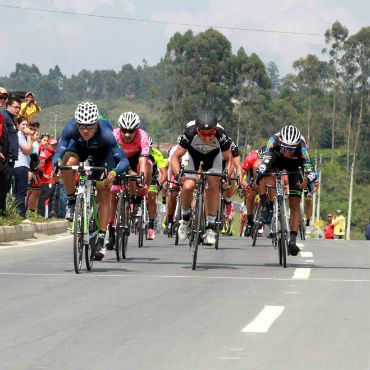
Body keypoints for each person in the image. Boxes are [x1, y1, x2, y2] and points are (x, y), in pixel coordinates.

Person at [53, 102, 129, 261]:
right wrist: (56, 163)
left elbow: (124, 161)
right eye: (81, 126)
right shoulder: (70, 128)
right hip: (79, 147)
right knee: (67, 164)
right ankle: (72, 201)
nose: (85, 130)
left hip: (102, 153)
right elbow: (60, 150)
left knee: (103, 189)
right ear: (77, 124)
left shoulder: (106, 134)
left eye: (89, 126)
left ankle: (101, 238)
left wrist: (114, 172)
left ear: (96, 124)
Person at [171, 111, 234, 246]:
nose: (207, 139)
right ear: (197, 130)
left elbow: (229, 159)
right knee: (188, 186)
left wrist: (226, 176)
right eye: (203, 134)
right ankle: (186, 217)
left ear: (215, 130)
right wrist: (178, 175)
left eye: (210, 134)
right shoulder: (189, 133)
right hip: (193, 156)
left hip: (213, 156)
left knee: (213, 184)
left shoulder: (221, 135)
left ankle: (210, 227)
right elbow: (175, 157)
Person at [256, 125, 317, 256]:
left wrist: (308, 181)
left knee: (295, 203)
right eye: (285, 147)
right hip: (276, 159)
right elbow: (265, 160)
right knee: (261, 171)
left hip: (295, 164)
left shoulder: (301, 147)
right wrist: (261, 172)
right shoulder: (273, 141)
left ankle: (293, 242)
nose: (288, 151)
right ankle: (267, 205)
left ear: (296, 146)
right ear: (279, 142)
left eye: (291, 148)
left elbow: (311, 170)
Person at [106, 112, 152, 249]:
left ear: (136, 130)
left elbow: (143, 161)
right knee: (113, 194)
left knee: (147, 166)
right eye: (124, 131)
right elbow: (108, 158)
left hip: (134, 159)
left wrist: (141, 179)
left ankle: (137, 199)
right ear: (120, 128)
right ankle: (111, 228)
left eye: (131, 131)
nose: (127, 134)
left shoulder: (142, 136)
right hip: (117, 159)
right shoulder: (113, 135)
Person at [1, 97, 21, 215]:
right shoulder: (5, 117)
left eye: (19, 108)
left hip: (11, 157)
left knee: (6, 186)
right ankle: (2, 212)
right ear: (8, 106)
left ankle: (3, 211)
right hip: (5, 156)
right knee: (3, 186)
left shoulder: (11, 119)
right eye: (15, 107)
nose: (18, 110)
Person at [13, 117, 35, 222]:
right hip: (20, 165)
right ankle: (21, 215)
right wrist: (29, 135)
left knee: (18, 191)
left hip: (21, 165)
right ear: (17, 125)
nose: (25, 127)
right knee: (21, 191)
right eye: (23, 124)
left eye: (27, 125)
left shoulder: (22, 135)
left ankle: (16, 213)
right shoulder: (20, 135)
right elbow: (28, 149)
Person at [146, 137, 168, 240]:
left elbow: (164, 173)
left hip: (153, 178)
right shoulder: (136, 151)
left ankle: (151, 226)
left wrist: (160, 183)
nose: (147, 150)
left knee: (151, 196)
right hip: (137, 176)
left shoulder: (156, 153)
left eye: (149, 148)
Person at [37, 138, 58, 218]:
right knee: (45, 198)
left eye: (55, 145)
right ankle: (43, 216)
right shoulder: (45, 153)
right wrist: (44, 175)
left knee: (50, 198)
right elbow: (41, 165)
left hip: (52, 180)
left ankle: (47, 215)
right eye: (52, 145)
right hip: (46, 181)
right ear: (48, 144)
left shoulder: (55, 154)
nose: (54, 146)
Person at [0, 87, 11, 216]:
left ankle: (2, 212)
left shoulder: (1, 117)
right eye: (0, 97)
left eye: (4, 98)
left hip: (3, 156)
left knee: (5, 182)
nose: (2, 100)